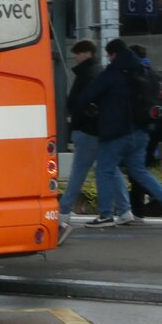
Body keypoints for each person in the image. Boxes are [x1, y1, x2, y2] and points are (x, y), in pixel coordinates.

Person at [77, 38, 162, 229]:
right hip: (142, 132)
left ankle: (105, 214)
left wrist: (89, 109)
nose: (109, 59)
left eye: (109, 55)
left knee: (104, 169)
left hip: (116, 132)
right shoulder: (145, 71)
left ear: (113, 54)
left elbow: (86, 96)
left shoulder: (112, 74)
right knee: (139, 171)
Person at [56, 40, 106, 244]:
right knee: (108, 169)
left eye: (77, 54)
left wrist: (77, 120)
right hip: (98, 130)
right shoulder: (99, 71)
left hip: (86, 130)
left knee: (79, 171)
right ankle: (125, 209)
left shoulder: (87, 74)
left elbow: (79, 102)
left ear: (86, 53)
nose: (75, 57)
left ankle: (64, 210)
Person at [126, 43, 162, 218]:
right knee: (138, 170)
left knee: (136, 171)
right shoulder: (154, 74)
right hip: (152, 126)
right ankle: (137, 209)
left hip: (138, 127)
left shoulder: (137, 74)